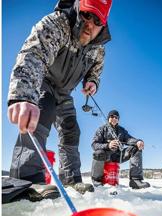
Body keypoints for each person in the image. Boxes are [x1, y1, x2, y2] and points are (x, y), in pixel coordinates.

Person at [7, 0, 112, 198]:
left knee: (71, 130)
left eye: (97, 20)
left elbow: (96, 69)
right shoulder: (58, 23)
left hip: (65, 92)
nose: (90, 24)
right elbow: (34, 54)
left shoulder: (99, 48)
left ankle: (71, 179)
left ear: (103, 24)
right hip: (45, 82)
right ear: (78, 9)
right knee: (41, 116)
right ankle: (26, 180)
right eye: (87, 15)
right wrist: (24, 95)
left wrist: (92, 82)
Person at [91, 110, 150, 189]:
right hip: (105, 156)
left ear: (118, 119)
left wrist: (138, 141)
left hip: (118, 155)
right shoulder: (102, 129)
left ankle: (135, 180)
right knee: (98, 153)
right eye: (112, 116)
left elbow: (129, 139)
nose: (114, 118)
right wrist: (108, 145)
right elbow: (94, 144)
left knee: (136, 148)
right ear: (108, 118)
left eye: (116, 117)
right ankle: (97, 181)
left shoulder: (122, 130)